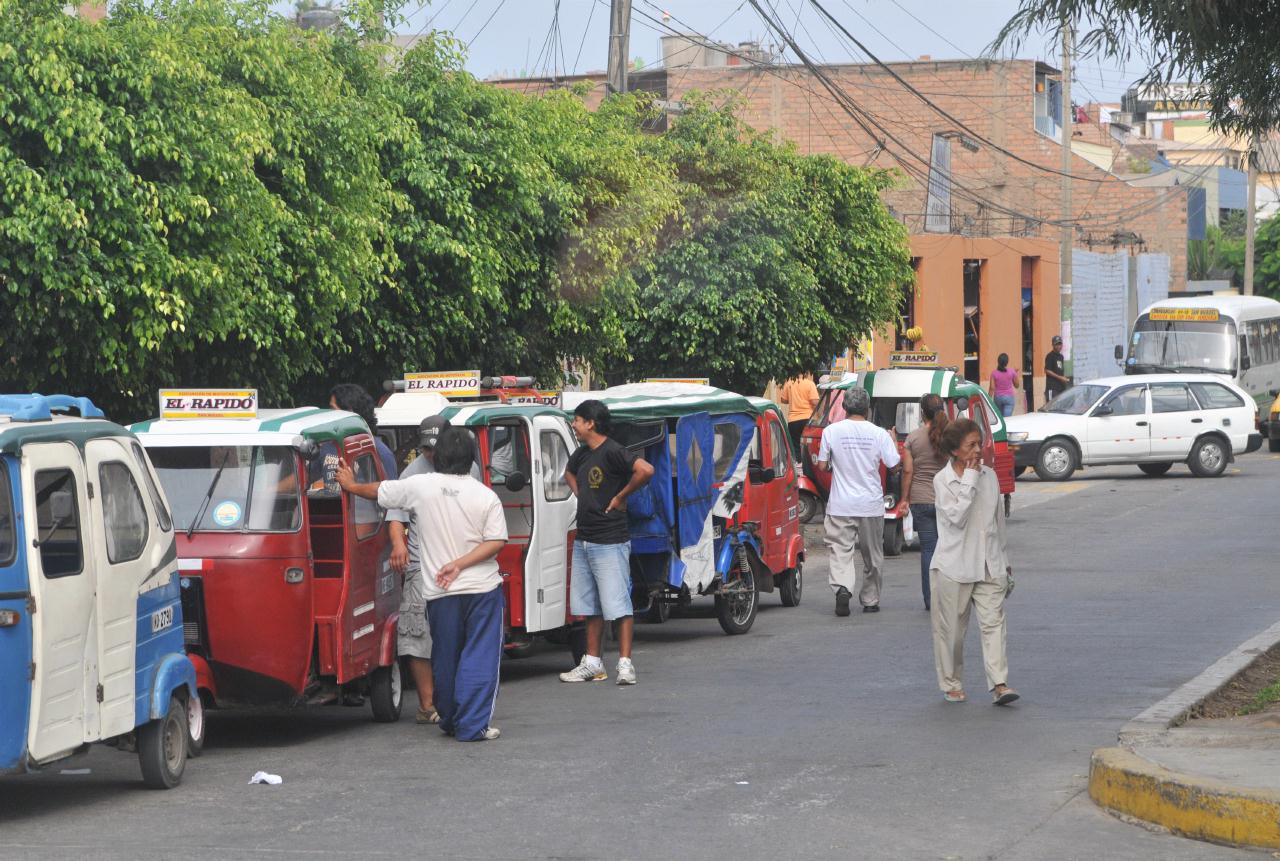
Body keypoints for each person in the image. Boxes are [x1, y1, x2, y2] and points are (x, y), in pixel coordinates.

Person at [336, 427, 508, 741]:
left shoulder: (420, 486)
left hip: (439, 592)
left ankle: (450, 719)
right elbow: (496, 541)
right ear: (471, 459)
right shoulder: (486, 496)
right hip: (482, 588)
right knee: (479, 655)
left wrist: (350, 485)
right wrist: (460, 563)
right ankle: (472, 726)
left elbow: (379, 491)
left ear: (436, 456)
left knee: (444, 655)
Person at [558, 400, 655, 685]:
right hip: (585, 537)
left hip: (610, 539)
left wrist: (620, 497)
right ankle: (592, 663)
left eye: (577, 420)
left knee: (618, 604)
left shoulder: (613, 451)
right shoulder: (581, 454)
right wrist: (582, 495)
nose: (574, 426)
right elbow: (568, 473)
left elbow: (646, 470)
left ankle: (625, 664)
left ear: (591, 423)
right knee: (590, 605)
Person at [930, 418, 1019, 706]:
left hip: (989, 563)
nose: (978, 450)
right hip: (955, 566)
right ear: (955, 450)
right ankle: (951, 682)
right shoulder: (942, 481)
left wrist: (1003, 560)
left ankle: (999, 684)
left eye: (979, 444)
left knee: (994, 625)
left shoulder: (990, 476)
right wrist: (969, 479)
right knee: (952, 633)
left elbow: (998, 522)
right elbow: (956, 518)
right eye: (971, 446)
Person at [383, 415, 452, 726]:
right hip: (420, 566)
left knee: (451, 635)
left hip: (457, 567)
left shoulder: (468, 468)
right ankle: (427, 704)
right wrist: (398, 544)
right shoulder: (412, 473)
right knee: (417, 634)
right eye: (426, 448)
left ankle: (450, 698)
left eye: (435, 448)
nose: (431, 455)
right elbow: (395, 515)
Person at [816, 387, 901, 616]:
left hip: (840, 504)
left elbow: (822, 466)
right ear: (868, 408)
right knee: (873, 554)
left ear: (844, 407)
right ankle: (870, 599)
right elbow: (894, 467)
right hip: (871, 504)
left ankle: (843, 588)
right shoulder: (879, 434)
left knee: (840, 551)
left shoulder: (831, 432)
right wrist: (892, 441)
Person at [901, 393, 948, 611]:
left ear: (922, 413)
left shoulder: (913, 438)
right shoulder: (951, 437)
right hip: (947, 499)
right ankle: (948, 596)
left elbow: (908, 470)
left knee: (928, 549)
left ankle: (930, 599)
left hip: (921, 499)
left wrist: (904, 499)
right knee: (948, 548)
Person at [329, 383, 398, 480]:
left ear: (350, 413)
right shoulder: (329, 447)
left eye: (333, 409)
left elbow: (388, 492)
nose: (329, 415)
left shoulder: (379, 452)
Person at [779, 371, 820, 458]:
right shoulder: (810, 384)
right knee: (808, 446)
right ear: (806, 372)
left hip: (793, 420)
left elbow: (783, 400)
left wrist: (793, 398)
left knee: (795, 446)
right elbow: (814, 401)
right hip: (808, 419)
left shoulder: (789, 383)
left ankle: (798, 467)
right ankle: (807, 467)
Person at [988, 353, 1020, 418]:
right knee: (1007, 419)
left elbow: (992, 388)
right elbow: (1017, 385)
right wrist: (1015, 374)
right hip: (1009, 398)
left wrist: (988, 399)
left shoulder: (994, 373)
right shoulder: (1012, 371)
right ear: (1007, 362)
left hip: (998, 398)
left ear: (998, 362)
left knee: (999, 418)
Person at [1044, 336, 1070, 403]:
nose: (1059, 346)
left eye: (1060, 344)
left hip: (1061, 388)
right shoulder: (1050, 356)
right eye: (1057, 344)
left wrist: (1064, 379)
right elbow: (1047, 370)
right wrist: (1060, 377)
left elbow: (1060, 370)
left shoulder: (1061, 356)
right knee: (1051, 406)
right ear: (1053, 345)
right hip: (1052, 388)